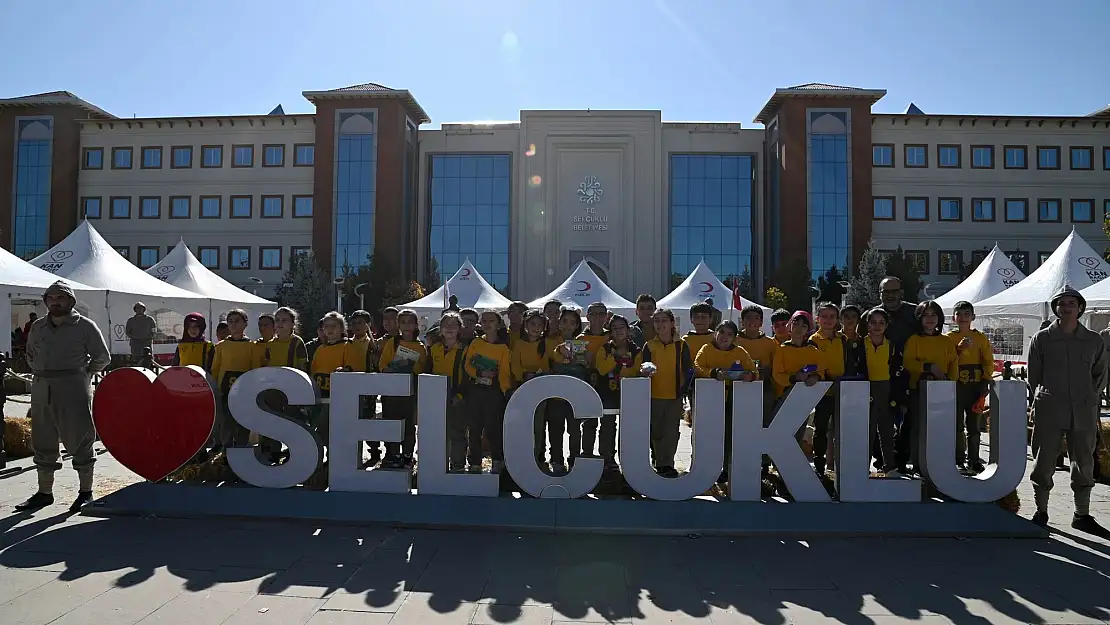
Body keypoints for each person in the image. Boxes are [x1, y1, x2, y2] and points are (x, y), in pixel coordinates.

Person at [15, 281, 111, 512]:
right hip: (41, 387)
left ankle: (85, 492)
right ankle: (44, 492)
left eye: (61, 298)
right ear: (46, 301)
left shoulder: (85, 326)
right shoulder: (38, 327)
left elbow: (102, 357)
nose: (55, 302)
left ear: (71, 301)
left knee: (79, 437)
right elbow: (30, 355)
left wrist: (83, 374)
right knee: (43, 438)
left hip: (73, 387)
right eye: (51, 298)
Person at [1028, 286, 1109, 536]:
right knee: (1043, 461)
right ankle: (1041, 512)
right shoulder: (1042, 339)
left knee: (1084, 462)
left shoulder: (1094, 340)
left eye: (1072, 303)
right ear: (1055, 309)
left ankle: (1081, 514)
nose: (1067, 307)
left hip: (1084, 409)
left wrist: (1091, 398)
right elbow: (1034, 374)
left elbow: (1100, 373)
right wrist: (1040, 398)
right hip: (1050, 406)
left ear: (1080, 308)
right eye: (1062, 303)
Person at [693, 320, 756, 484]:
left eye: (729, 334)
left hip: (733, 400)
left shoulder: (740, 352)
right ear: (715, 333)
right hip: (710, 399)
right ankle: (704, 467)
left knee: (729, 434)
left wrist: (750, 375)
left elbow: (753, 371)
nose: (724, 337)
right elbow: (697, 366)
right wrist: (713, 373)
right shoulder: (706, 349)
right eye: (722, 332)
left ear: (734, 338)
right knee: (709, 434)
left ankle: (727, 469)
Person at [899, 300, 958, 474]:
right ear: (919, 318)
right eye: (926, 315)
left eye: (933, 315)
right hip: (919, 391)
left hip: (942, 391)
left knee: (938, 427)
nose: (930, 319)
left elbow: (954, 362)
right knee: (917, 427)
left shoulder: (946, 341)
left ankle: (939, 461)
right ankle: (916, 462)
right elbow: (908, 362)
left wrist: (950, 382)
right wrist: (928, 367)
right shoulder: (914, 340)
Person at [637, 308, 693, 478]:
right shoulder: (649, 345)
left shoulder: (681, 345)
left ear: (672, 323)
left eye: (664, 321)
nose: (660, 324)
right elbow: (643, 368)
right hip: (653, 395)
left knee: (671, 432)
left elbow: (689, 369)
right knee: (655, 431)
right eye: (657, 321)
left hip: (674, 396)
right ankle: (657, 459)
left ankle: (667, 464)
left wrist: (683, 391)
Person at [946, 301, 995, 473]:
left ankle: (974, 460)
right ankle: (958, 459)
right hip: (956, 387)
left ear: (973, 317)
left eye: (967, 314)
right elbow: (946, 361)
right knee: (957, 425)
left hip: (976, 387)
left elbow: (988, 360)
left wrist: (986, 380)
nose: (963, 317)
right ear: (954, 318)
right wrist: (958, 350)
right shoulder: (949, 338)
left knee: (974, 426)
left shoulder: (980, 338)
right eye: (959, 314)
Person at [377, 309, 428, 469]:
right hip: (391, 391)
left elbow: (422, 368)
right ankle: (392, 454)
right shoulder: (392, 343)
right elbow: (382, 364)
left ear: (416, 325)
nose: (407, 326)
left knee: (408, 425)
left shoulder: (420, 346)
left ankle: (407, 455)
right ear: (398, 325)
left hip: (409, 393)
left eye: (410, 322)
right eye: (403, 322)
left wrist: (411, 366)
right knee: (391, 422)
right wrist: (390, 368)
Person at [257, 307, 309, 463]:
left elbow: (302, 367)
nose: (280, 324)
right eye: (277, 320)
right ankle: (272, 450)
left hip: (291, 391)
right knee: (272, 420)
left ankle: (295, 452)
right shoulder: (270, 344)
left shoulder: (297, 342)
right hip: (273, 391)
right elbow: (266, 365)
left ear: (293, 323)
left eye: (284, 320)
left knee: (293, 421)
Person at [463, 310, 512, 473]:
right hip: (475, 389)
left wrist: (506, 392)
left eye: (491, 321)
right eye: (483, 321)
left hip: (494, 392)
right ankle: (475, 462)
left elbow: (504, 373)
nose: (487, 324)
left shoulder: (503, 348)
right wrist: (480, 373)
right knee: (474, 428)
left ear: (498, 324)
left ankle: (497, 460)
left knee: (493, 428)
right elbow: (468, 366)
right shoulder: (476, 343)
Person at [211, 309, 262, 451]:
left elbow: (255, 370)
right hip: (225, 391)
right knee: (226, 422)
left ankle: (241, 449)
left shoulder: (253, 346)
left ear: (245, 324)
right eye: (230, 321)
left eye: (237, 321)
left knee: (243, 422)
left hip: (244, 392)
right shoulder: (220, 346)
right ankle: (225, 452)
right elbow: (215, 369)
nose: (233, 325)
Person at [860, 307, 901, 478]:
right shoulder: (860, 344)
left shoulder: (891, 345)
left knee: (886, 430)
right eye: (873, 322)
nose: (877, 326)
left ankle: (889, 466)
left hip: (886, 389)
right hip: (865, 389)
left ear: (886, 325)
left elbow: (896, 371)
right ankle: (863, 466)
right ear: (867, 325)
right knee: (866, 430)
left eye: (881, 323)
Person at [595, 314, 639, 472]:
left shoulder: (636, 349)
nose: (618, 331)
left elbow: (636, 372)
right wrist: (616, 357)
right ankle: (607, 458)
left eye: (622, 327)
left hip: (630, 394)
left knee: (629, 427)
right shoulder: (605, 348)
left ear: (628, 330)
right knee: (607, 426)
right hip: (607, 393)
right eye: (614, 328)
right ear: (610, 332)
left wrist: (624, 369)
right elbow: (601, 369)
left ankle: (628, 459)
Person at [547, 306, 588, 473]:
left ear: (577, 325)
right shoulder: (550, 340)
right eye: (565, 321)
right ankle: (556, 459)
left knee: (575, 430)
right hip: (555, 394)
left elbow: (583, 367)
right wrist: (559, 354)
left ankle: (574, 459)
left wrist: (584, 361)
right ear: (559, 322)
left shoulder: (581, 342)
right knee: (555, 429)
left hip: (574, 394)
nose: (568, 325)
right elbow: (549, 363)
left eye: (573, 322)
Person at [512, 310, 553, 468]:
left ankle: (537, 459)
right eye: (532, 324)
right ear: (525, 325)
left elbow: (549, 363)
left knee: (538, 426)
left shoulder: (547, 344)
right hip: (522, 390)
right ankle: (522, 460)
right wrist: (524, 375)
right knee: (523, 426)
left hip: (541, 391)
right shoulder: (518, 344)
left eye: (540, 325)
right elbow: (515, 365)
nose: (536, 328)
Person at [810, 302, 846, 476]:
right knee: (821, 429)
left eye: (832, 316)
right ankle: (819, 464)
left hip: (842, 392)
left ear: (837, 319)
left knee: (841, 430)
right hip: (822, 392)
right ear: (818, 319)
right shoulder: (812, 340)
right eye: (824, 316)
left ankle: (841, 466)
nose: (828, 320)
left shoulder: (843, 339)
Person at [431, 312, 470, 473]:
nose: (450, 328)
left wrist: (459, 396)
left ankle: (458, 465)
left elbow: (468, 376)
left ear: (459, 329)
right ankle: (436, 465)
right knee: (436, 432)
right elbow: (428, 371)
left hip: (457, 398)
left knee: (458, 433)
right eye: (446, 325)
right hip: (435, 397)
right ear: (440, 329)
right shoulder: (433, 348)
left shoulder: (465, 350)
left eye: (454, 325)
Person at [310, 311, 352, 449]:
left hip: (338, 398)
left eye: (334, 326)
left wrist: (345, 370)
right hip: (321, 397)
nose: (330, 329)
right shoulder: (320, 349)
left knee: (332, 431)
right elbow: (314, 372)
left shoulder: (349, 346)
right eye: (326, 326)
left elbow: (354, 369)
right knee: (321, 429)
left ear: (342, 328)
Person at [579, 302, 611, 456]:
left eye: (601, 314)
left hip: (609, 386)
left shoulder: (610, 337)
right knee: (589, 423)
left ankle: (608, 458)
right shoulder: (580, 338)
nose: (597, 317)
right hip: (587, 384)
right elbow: (577, 363)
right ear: (588, 316)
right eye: (593, 314)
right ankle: (587, 454)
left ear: (606, 317)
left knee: (608, 423)